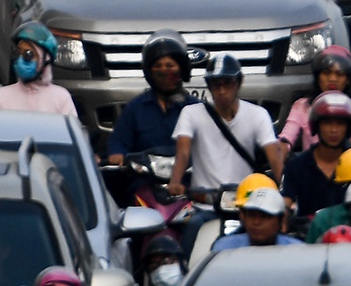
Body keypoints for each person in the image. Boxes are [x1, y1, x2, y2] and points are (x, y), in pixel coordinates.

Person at [170, 54, 282, 201]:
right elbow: (183, 153)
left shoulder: (258, 114)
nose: (222, 91)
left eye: (228, 83)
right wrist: (175, 181)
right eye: (216, 84)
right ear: (209, 85)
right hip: (203, 202)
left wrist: (284, 190)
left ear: (239, 82)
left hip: (245, 203)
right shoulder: (190, 113)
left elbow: (273, 155)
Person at [108, 32, 196, 166]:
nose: (164, 71)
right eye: (158, 66)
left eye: (170, 65)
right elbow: (119, 143)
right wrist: (117, 155)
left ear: (182, 69)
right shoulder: (135, 108)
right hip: (144, 180)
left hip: (187, 181)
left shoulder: (196, 109)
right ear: (149, 72)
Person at [280, 92, 351, 225]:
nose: (333, 130)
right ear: (316, 125)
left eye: (340, 123)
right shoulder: (296, 166)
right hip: (307, 238)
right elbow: (286, 203)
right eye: (327, 123)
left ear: (348, 128)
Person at [0, 21, 78, 115]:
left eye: (28, 54)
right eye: (18, 53)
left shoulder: (61, 98)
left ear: (45, 59)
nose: (20, 60)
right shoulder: (1, 97)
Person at [277, 46, 351, 152]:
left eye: (339, 74)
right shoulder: (302, 106)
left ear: (348, 80)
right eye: (326, 73)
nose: (332, 79)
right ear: (317, 77)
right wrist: (280, 151)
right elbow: (286, 138)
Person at [211, 184, 298, 249]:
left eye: (265, 216)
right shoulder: (224, 249)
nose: (256, 222)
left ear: (280, 220)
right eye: (252, 215)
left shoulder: (296, 251)